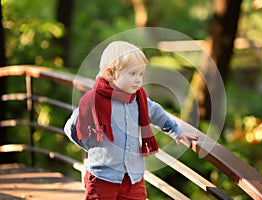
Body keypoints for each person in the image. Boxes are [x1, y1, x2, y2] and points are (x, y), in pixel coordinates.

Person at [64, 41, 198, 200]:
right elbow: (71, 128)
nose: (138, 80)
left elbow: (156, 113)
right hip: (102, 177)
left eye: (141, 74)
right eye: (132, 74)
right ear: (110, 74)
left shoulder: (138, 99)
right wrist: (92, 147)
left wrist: (176, 131)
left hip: (133, 177)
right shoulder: (94, 102)